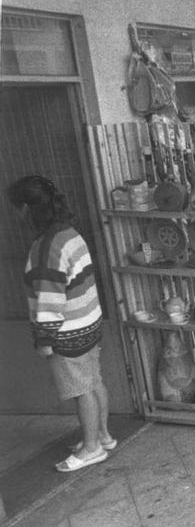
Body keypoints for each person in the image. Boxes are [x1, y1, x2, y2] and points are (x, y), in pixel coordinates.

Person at [7, 175, 114, 472]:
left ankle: (91, 448)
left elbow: (49, 302)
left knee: (81, 390)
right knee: (94, 381)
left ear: (27, 209)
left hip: (68, 332)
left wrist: (44, 340)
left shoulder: (46, 248)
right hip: (90, 322)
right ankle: (102, 436)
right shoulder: (69, 233)